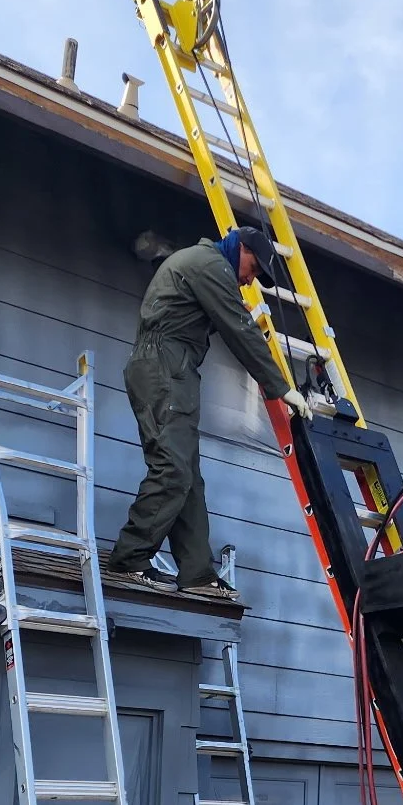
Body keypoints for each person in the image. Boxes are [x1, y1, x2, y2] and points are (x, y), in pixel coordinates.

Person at [108, 224, 310, 599]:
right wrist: (281, 388)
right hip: (164, 367)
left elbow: (203, 319)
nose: (251, 280)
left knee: (188, 475)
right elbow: (240, 330)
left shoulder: (202, 265)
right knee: (172, 468)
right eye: (255, 269)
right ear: (243, 249)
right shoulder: (210, 264)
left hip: (173, 369)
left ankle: (197, 571)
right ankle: (130, 557)